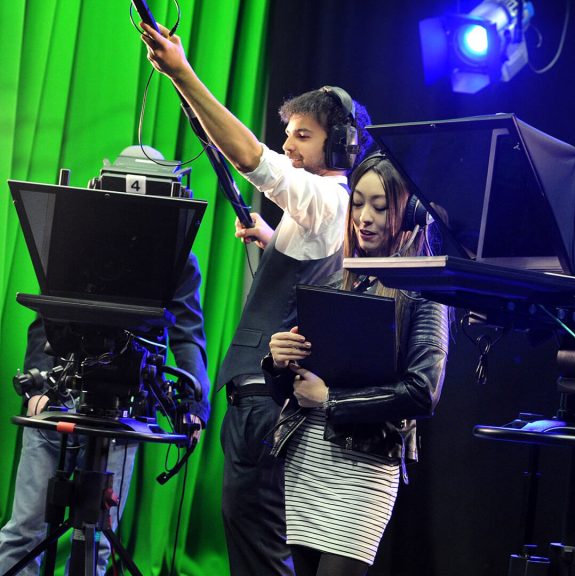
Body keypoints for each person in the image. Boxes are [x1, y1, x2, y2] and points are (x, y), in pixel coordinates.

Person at [140, 22, 374, 576]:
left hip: (266, 408)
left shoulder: (324, 196)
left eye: (303, 136)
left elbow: (250, 158)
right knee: (252, 548)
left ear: (340, 146)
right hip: (258, 404)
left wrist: (183, 72)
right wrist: (273, 242)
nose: (289, 146)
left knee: (259, 555)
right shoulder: (316, 213)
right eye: (288, 133)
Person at [0, 193, 208, 576]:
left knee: (94, 540)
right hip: (59, 402)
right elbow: (45, 319)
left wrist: (193, 408)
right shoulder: (77, 239)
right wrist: (38, 389)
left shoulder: (177, 261)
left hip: (124, 413)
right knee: (24, 532)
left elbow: (187, 336)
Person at [265, 154, 449, 576]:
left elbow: (423, 392)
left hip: (365, 464)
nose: (365, 217)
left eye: (380, 207)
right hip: (307, 459)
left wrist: (331, 400)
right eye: (359, 204)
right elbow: (292, 391)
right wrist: (278, 363)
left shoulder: (425, 294)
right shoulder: (335, 279)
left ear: (407, 213)